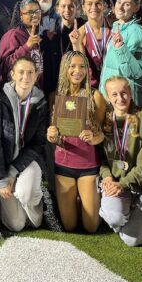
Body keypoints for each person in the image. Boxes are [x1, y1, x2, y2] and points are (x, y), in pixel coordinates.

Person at [46, 51, 106, 233]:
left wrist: (94, 137)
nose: (77, 71)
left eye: (82, 66)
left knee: (91, 226)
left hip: (88, 165)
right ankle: (78, 199)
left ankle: (88, 197)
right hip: (63, 166)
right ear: (65, 69)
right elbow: (53, 133)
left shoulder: (95, 96)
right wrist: (51, 135)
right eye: (72, 66)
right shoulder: (54, 96)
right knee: (70, 225)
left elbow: (103, 134)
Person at [0, 56, 47, 232]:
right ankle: (1, 202)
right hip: (3, 163)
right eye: (21, 72)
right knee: (16, 224)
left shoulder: (41, 102)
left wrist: (13, 172)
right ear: (12, 74)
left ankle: (36, 201)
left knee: (27, 202)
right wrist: (1, 179)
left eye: (30, 73)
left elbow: (38, 143)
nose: (25, 77)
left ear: (36, 76)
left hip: (28, 162)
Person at [98, 75, 142, 246]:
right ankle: (125, 212)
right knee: (114, 218)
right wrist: (108, 177)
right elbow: (101, 158)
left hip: (141, 186)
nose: (120, 98)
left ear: (131, 93)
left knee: (132, 240)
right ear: (108, 98)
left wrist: (122, 184)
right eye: (114, 94)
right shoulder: (105, 120)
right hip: (115, 185)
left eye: (124, 93)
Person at [99, 0, 142, 108]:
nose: (120, 7)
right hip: (112, 98)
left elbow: (136, 71)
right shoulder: (117, 26)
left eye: (127, 4)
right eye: (119, 2)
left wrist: (121, 48)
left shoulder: (136, 31)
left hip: (125, 101)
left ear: (136, 8)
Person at [0, 0, 46, 88]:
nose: (35, 15)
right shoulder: (12, 35)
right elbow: (4, 66)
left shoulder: (36, 36)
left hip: (35, 93)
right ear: (21, 15)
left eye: (37, 11)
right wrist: (27, 46)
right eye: (30, 12)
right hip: (16, 95)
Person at [42, 0, 81, 96]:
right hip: (53, 77)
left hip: (75, 77)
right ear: (57, 9)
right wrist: (46, 38)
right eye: (63, 6)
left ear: (77, 8)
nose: (67, 10)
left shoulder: (83, 26)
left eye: (71, 6)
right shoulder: (50, 26)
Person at [69, 0, 110, 88]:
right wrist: (76, 44)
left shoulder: (114, 28)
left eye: (98, 3)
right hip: (92, 86)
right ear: (83, 7)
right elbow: (81, 64)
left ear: (104, 6)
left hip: (113, 85)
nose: (94, 7)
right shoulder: (80, 33)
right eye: (89, 3)